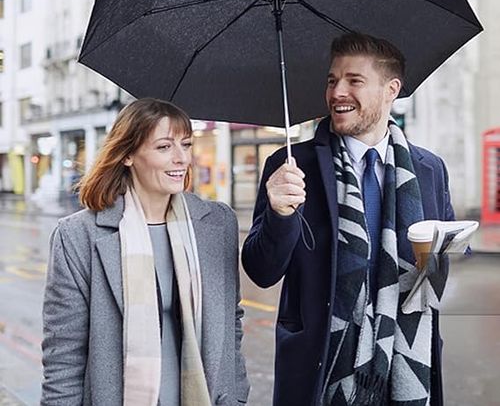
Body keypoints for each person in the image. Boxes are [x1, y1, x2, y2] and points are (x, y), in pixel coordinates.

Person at [242, 33, 453, 406]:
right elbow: (262, 271)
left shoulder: (429, 169)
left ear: (391, 89)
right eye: (332, 80)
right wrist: (279, 215)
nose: (338, 91)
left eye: (354, 81)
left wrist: (439, 256)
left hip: (405, 367)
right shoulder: (292, 165)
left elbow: (434, 276)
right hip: (322, 369)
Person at [41, 98, 250, 406]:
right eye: (164, 147)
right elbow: (64, 353)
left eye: (186, 144)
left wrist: (237, 394)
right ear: (127, 155)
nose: (181, 158)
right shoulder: (78, 236)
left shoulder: (217, 224)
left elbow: (230, 321)